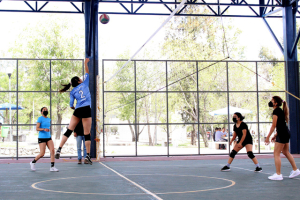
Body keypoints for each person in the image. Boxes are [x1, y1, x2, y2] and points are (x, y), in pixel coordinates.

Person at [55, 58, 93, 165]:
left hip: (78, 109)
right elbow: (87, 72)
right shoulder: (85, 83)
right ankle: (88, 156)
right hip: (86, 109)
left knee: (69, 130)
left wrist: (74, 108)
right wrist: (86, 63)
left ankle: (59, 149)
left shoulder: (72, 91)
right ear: (79, 81)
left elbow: (71, 105)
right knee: (87, 134)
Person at [265, 96, 300, 180]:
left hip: (282, 134)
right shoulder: (280, 110)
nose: (270, 102)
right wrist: (275, 135)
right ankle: (295, 170)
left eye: (272, 100)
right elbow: (281, 125)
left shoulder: (276, 111)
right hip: (285, 133)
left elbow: (274, 125)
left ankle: (278, 174)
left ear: (275, 103)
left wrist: (268, 137)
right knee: (285, 152)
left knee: (276, 154)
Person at [30, 107, 59, 172]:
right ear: (41, 112)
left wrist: (48, 130)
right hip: (42, 138)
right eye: (44, 110)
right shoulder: (40, 118)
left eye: (46, 110)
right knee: (42, 154)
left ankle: (52, 167)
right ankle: (33, 162)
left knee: (52, 151)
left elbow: (48, 127)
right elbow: (37, 128)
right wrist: (43, 129)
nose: (45, 111)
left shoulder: (49, 119)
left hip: (48, 137)